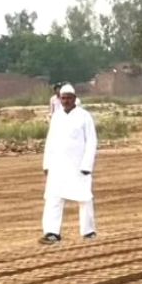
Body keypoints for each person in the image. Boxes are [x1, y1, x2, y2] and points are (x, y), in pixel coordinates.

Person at [40, 84, 97, 244]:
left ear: (74, 98)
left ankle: (88, 231)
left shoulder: (84, 116)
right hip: (58, 167)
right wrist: (47, 164)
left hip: (78, 166)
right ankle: (51, 232)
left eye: (68, 98)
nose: (65, 101)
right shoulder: (57, 116)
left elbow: (91, 141)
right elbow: (50, 141)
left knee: (84, 198)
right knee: (53, 198)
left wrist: (87, 165)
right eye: (63, 98)